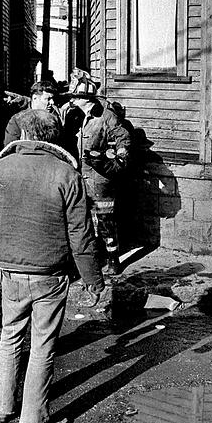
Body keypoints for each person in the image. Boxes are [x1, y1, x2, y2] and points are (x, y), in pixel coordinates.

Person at [0, 109, 104, 423]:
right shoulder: (66, 176)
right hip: (50, 273)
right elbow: (81, 234)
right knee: (43, 344)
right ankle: (33, 417)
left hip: (8, 273)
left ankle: (2, 406)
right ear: (53, 137)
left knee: (10, 335)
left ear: (24, 134)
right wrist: (92, 280)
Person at [62, 71, 131, 275]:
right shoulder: (71, 114)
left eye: (75, 97)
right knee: (79, 220)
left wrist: (119, 156)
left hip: (100, 178)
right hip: (76, 176)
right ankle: (88, 259)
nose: (71, 100)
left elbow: (123, 138)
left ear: (86, 100)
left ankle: (112, 260)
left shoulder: (106, 116)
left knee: (105, 219)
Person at [3, 80, 58, 145]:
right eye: (48, 99)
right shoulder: (17, 120)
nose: (52, 102)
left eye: (52, 99)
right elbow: (10, 148)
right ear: (35, 98)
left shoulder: (54, 118)